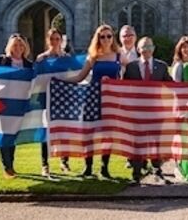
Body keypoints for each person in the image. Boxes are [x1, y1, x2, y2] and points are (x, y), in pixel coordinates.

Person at [67, 24, 128, 179]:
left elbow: (127, 77)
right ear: (98, 39)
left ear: (113, 38)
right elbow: (80, 77)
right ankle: (88, 168)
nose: (106, 39)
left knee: (108, 135)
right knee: (89, 133)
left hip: (112, 100)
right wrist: (60, 80)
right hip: (93, 97)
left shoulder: (119, 56)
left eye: (109, 36)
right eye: (102, 37)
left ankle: (104, 168)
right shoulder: (93, 57)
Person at [123, 36, 172, 184]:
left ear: (154, 49)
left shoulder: (161, 66)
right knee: (137, 143)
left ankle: (157, 170)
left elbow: (171, 85)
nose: (146, 50)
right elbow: (124, 88)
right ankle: (136, 174)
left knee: (156, 142)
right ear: (138, 49)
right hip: (137, 111)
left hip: (156, 111)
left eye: (149, 47)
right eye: (143, 47)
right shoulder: (131, 67)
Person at [0, 34, 34, 179]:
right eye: (15, 45)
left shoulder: (29, 65)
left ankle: (11, 166)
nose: (18, 48)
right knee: (4, 135)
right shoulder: (1, 61)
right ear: (10, 47)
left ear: (25, 48)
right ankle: (7, 167)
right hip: (3, 103)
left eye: (21, 45)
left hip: (20, 104)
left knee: (13, 135)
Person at [35, 28, 71, 176]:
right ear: (47, 40)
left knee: (64, 131)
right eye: (52, 39)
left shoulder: (67, 58)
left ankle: (64, 161)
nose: (55, 42)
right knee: (46, 131)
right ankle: (45, 164)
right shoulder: (41, 59)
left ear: (61, 41)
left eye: (57, 39)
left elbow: (75, 74)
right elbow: (36, 78)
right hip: (45, 98)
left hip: (63, 98)